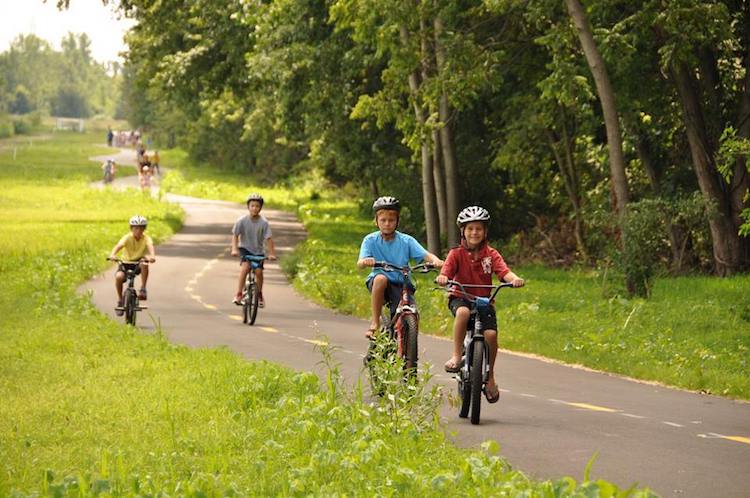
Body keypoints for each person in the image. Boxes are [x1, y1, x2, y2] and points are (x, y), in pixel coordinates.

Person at [435, 206, 524, 404]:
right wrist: (443, 277)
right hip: (460, 296)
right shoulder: (456, 253)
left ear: (485, 232)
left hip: (483, 301)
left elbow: (504, 272)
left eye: (479, 229)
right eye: (470, 229)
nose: (474, 233)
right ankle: (456, 356)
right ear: (463, 231)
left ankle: (490, 377)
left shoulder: (491, 255)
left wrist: (515, 279)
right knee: (463, 313)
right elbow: (446, 272)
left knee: (490, 335)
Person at [357, 196, 443, 338]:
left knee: (410, 312)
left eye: (391, 220)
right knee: (380, 278)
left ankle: (407, 345)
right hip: (380, 285)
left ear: (397, 221)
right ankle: (375, 322)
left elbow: (426, 255)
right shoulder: (370, 240)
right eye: (383, 220)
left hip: (402, 284)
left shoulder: (406, 240)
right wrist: (365, 261)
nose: (387, 224)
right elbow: (360, 263)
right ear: (376, 221)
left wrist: (437, 261)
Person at [230, 193, 277, 307]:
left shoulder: (264, 222)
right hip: (245, 248)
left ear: (260, 208)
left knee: (259, 272)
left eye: (257, 206)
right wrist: (234, 249)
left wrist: (271, 253)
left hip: (258, 251)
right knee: (245, 268)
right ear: (248, 207)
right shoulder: (242, 220)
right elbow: (235, 235)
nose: (254, 208)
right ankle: (239, 294)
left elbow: (269, 239)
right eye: (252, 206)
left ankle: (259, 294)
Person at [108, 215, 156, 316]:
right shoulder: (127, 237)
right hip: (125, 263)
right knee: (119, 277)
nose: (138, 230)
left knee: (144, 263)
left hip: (138, 263)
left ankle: (143, 289)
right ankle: (120, 300)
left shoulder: (146, 238)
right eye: (136, 228)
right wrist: (113, 255)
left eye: (141, 228)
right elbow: (119, 246)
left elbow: (150, 246)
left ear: (144, 229)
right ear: (131, 228)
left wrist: (152, 256)